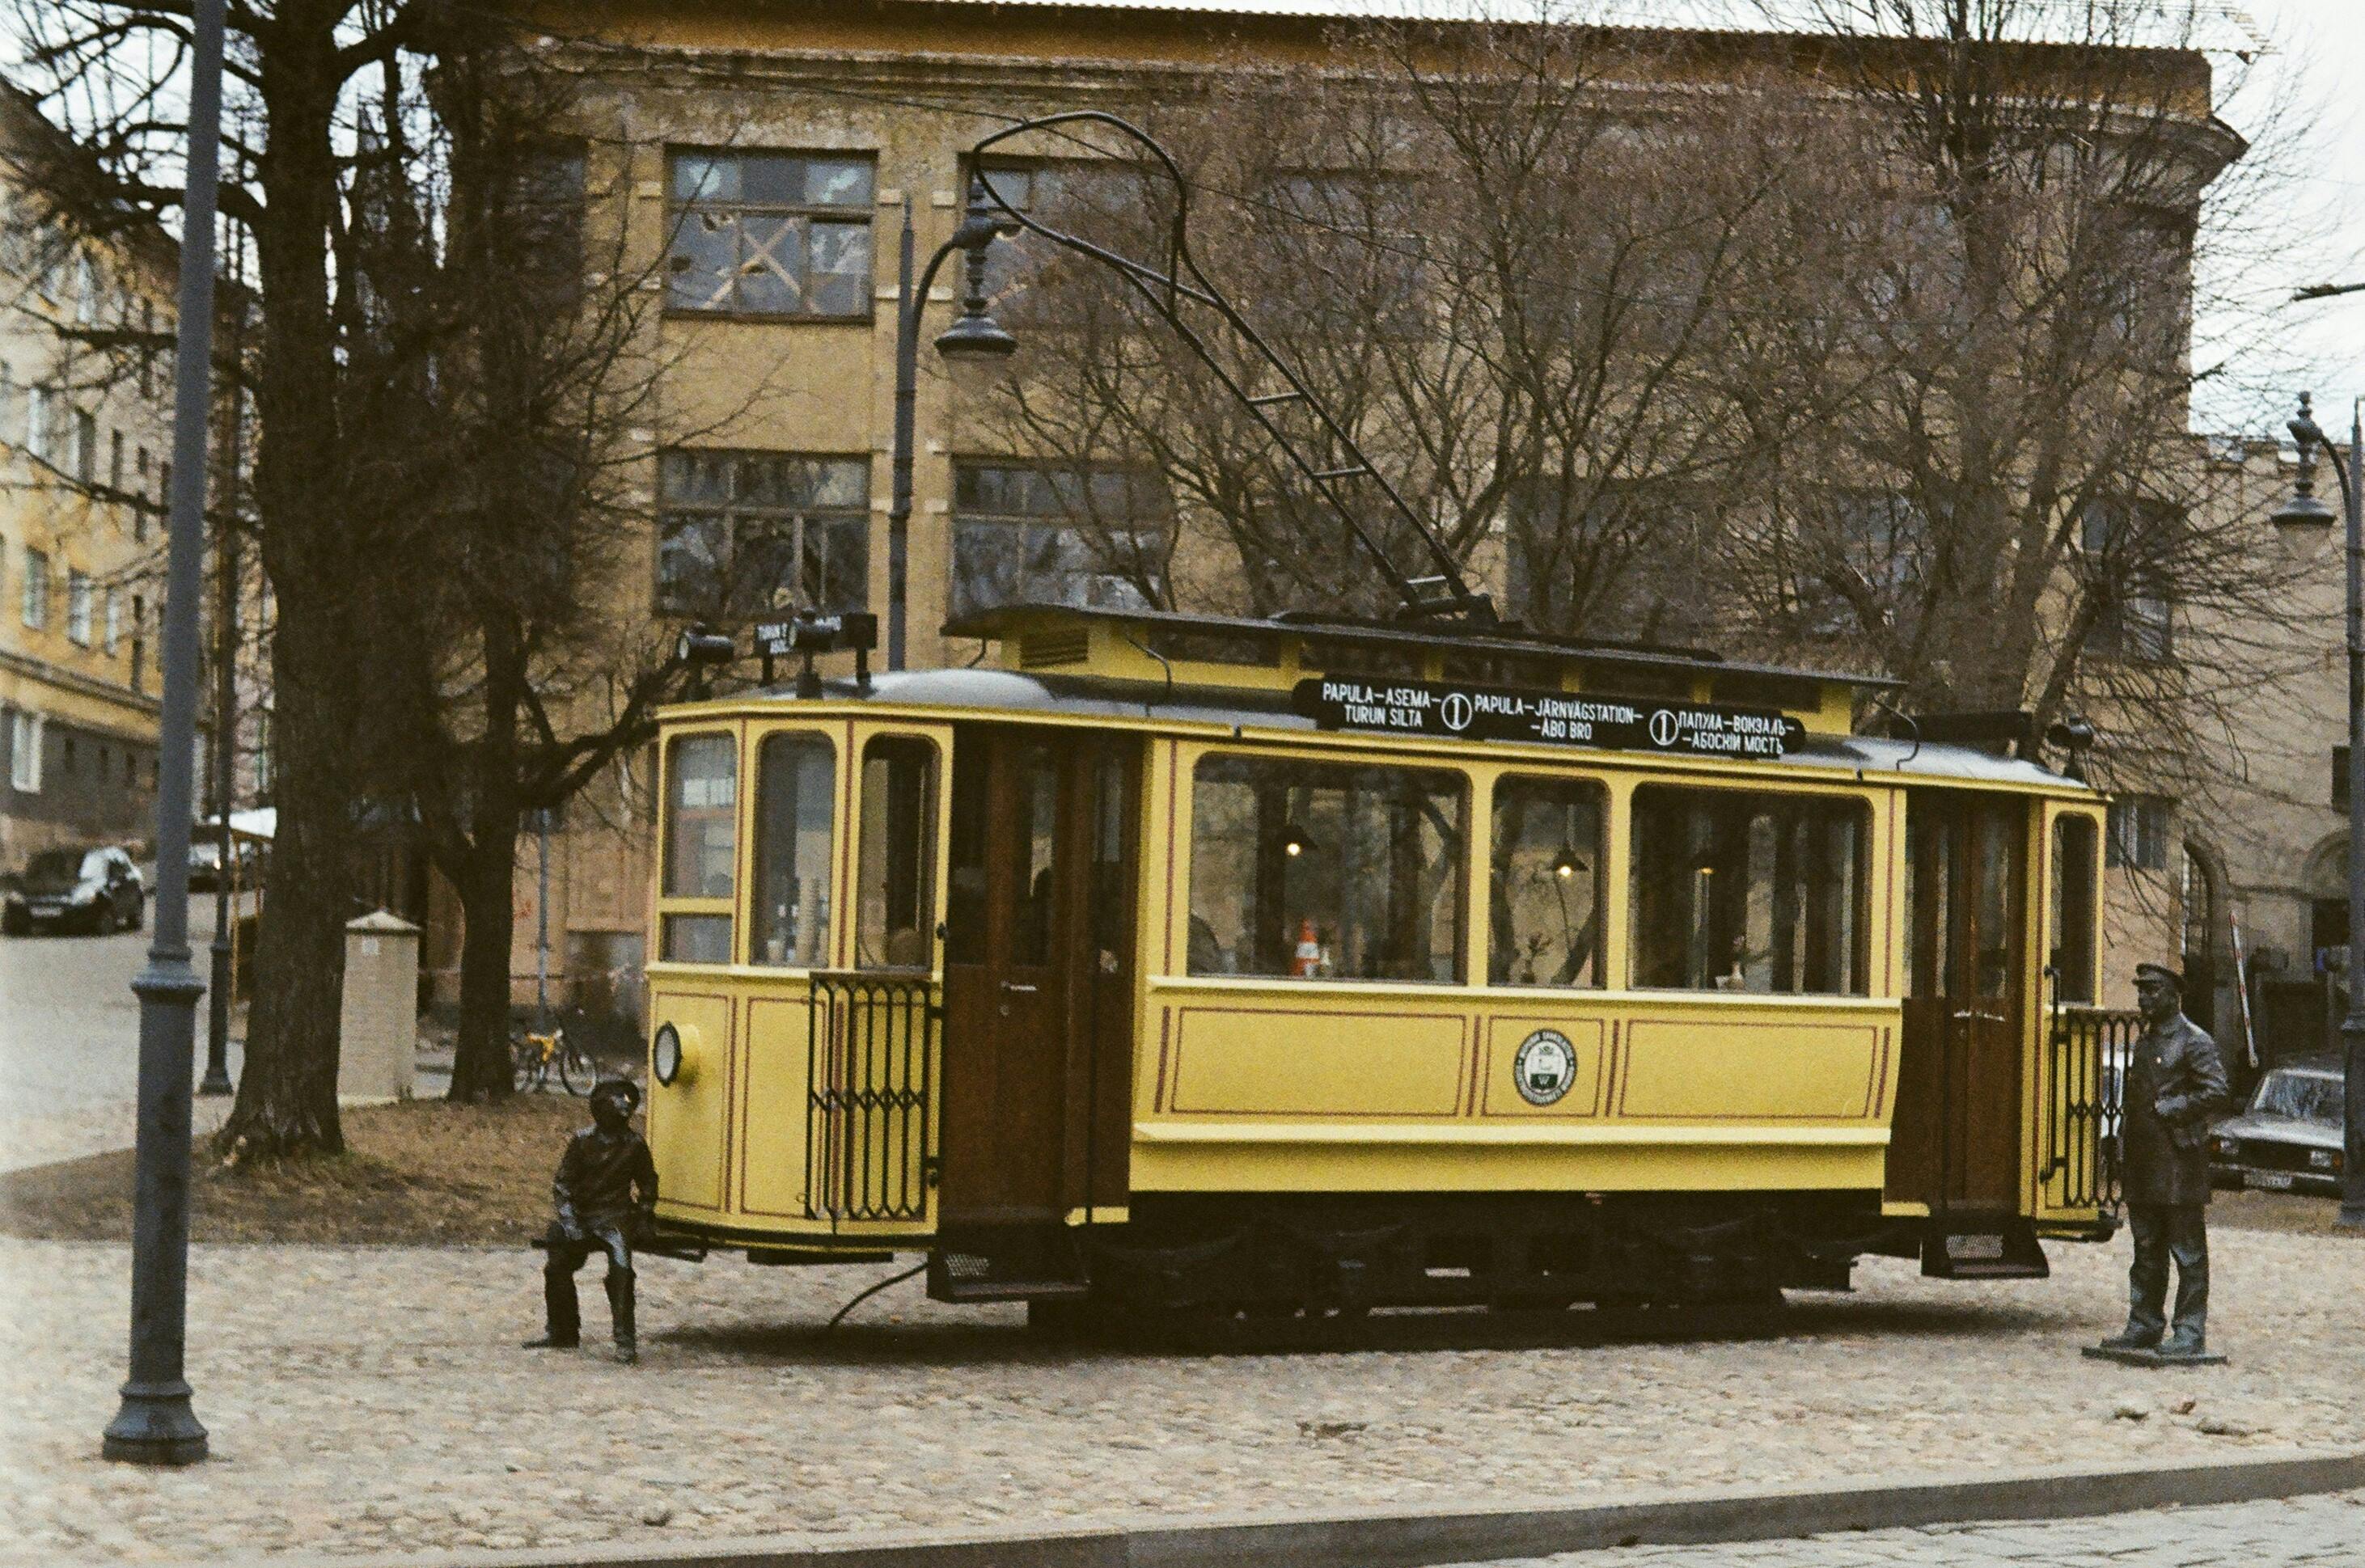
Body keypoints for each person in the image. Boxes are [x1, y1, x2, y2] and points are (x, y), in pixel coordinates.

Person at [2096, 962, 2229, 1360]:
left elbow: (2217, 1091)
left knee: (2188, 1252)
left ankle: (2189, 1331)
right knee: (2146, 1247)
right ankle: (2144, 1323)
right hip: (2144, 1160)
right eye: (2142, 991)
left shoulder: (2194, 1041)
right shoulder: (2146, 1041)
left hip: (2178, 1162)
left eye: (2152, 991)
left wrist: (2174, 1107)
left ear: (2174, 996)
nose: (2144, 999)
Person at [524, 1077, 658, 1363]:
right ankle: (563, 1331)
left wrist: (644, 1213)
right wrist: (571, 1223)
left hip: (616, 1216)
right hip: (583, 1215)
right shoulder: (582, 1141)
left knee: (622, 1268)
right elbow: (563, 1185)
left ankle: (625, 1339)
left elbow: (648, 1183)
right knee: (557, 1265)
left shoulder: (635, 1145)